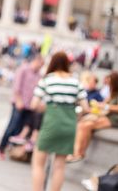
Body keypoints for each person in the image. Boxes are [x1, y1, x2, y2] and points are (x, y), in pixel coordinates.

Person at [30, 51, 89, 191]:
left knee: (38, 163)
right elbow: (85, 108)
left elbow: (34, 105)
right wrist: (75, 115)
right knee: (60, 165)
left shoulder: (47, 80)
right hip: (69, 124)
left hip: (51, 122)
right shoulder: (76, 81)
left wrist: (47, 108)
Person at [0, 55, 43, 159]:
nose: (41, 67)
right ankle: (2, 147)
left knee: (20, 131)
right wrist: (18, 100)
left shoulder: (39, 75)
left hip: (29, 106)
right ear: (36, 61)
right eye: (41, 64)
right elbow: (16, 86)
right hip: (19, 103)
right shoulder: (23, 69)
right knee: (12, 126)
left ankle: (13, 150)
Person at [67, 71, 118, 163]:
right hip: (107, 116)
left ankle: (77, 153)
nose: (107, 84)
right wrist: (98, 106)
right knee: (82, 124)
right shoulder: (113, 93)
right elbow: (105, 103)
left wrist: (104, 107)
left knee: (86, 125)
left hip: (114, 119)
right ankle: (78, 152)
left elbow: (107, 106)